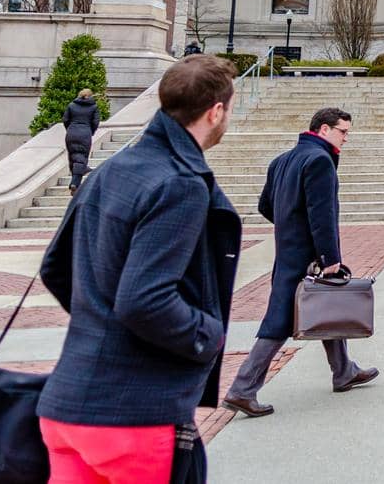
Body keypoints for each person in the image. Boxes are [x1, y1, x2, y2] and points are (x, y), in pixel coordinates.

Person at [37, 54, 241, 482]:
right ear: (216, 111)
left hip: (66, 406)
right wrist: (209, 335)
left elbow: (56, 268)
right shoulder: (180, 182)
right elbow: (144, 299)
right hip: (134, 415)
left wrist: (103, 328)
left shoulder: (112, 169)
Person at [222, 107, 377, 418]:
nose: (345, 138)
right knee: (280, 320)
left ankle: (343, 370)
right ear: (323, 129)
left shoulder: (282, 160)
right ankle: (242, 389)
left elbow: (265, 205)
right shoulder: (319, 161)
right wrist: (330, 259)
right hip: (305, 254)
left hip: (288, 247)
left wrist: (289, 224)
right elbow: (322, 214)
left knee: (328, 305)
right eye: (342, 132)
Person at [62, 87, 100, 193]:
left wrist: (70, 129)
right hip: (85, 134)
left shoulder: (71, 105)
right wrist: (90, 131)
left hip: (71, 133)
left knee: (73, 157)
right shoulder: (94, 107)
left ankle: (77, 178)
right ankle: (75, 183)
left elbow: (65, 119)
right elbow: (95, 122)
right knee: (81, 158)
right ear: (90, 96)